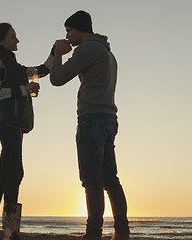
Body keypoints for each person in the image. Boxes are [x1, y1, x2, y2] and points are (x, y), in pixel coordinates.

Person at [50, 10, 130, 240]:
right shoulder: (106, 50)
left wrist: (57, 54)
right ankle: (122, 232)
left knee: (92, 181)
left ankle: (93, 233)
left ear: (80, 29)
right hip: (108, 118)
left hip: (91, 119)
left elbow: (57, 79)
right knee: (110, 180)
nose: (67, 36)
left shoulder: (87, 49)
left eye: (69, 31)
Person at [0, 22, 52, 240]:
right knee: (16, 171)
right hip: (6, 122)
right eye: (13, 37)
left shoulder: (14, 65)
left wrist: (56, 53)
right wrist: (23, 89)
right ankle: (10, 230)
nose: (17, 41)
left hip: (15, 124)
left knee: (5, 174)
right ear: (1, 41)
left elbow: (40, 71)